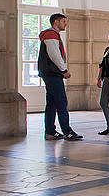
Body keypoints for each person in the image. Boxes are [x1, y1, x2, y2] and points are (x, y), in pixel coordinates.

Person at [39, 13, 83, 141]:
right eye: (63, 21)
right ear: (56, 22)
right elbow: (54, 55)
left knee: (52, 103)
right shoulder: (51, 35)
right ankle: (67, 131)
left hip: (50, 73)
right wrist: (63, 70)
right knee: (61, 102)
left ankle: (50, 131)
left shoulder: (52, 35)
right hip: (52, 74)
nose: (65, 24)